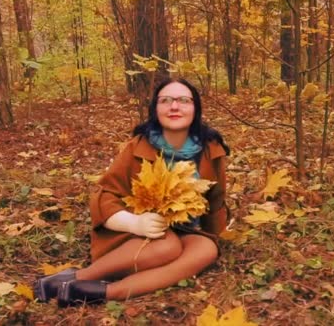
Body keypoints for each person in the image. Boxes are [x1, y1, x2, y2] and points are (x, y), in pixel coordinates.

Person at [33, 78, 230, 307]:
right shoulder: (138, 146)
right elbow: (104, 194)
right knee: (167, 245)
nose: (174, 107)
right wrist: (134, 223)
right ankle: (78, 277)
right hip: (136, 234)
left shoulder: (211, 149)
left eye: (183, 100)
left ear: (195, 108)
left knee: (207, 249)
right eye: (165, 100)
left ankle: (101, 292)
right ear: (155, 109)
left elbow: (216, 201)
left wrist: (219, 238)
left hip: (186, 228)